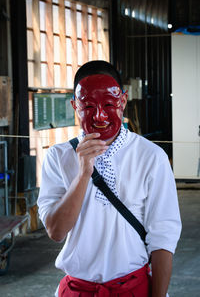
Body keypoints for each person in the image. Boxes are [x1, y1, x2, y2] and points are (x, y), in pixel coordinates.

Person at [37, 60, 182, 297]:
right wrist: (84, 173)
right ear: (75, 105)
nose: (100, 115)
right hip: (78, 290)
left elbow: (163, 240)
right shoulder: (59, 157)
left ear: (123, 101)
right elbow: (56, 230)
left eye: (108, 104)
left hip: (132, 289)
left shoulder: (151, 157)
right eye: (89, 106)